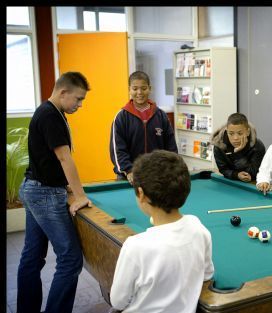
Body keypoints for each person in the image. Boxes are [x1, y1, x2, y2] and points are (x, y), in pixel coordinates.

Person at [17, 71, 92, 313]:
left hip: (35, 188)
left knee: (32, 258)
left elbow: (46, 157)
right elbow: (63, 157)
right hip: (44, 194)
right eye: (78, 99)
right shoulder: (50, 115)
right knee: (70, 260)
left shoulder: (50, 111)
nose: (80, 105)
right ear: (63, 92)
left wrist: (63, 182)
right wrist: (80, 195)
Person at [109, 150, 214, 313]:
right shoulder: (198, 227)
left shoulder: (135, 246)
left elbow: (118, 301)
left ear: (141, 194)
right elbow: (207, 276)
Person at [110, 71, 177, 184]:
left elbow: (171, 146)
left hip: (157, 175)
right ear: (129, 89)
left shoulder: (161, 115)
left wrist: (172, 167)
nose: (139, 92)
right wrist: (129, 170)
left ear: (149, 88)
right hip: (128, 177)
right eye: (135, 89)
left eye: (144, 88)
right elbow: (117, 149)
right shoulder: (121, 117)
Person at [211, 113, 266, 182]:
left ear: (248, 132)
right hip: (230, 182)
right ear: (226, 131)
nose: (235, 138)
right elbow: (223, 169)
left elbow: (254, 173)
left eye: (240, 133)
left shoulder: (258, 146)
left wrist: (238, 154)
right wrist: (236, 175)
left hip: (251, 184)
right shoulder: (219, 145)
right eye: (231, 133)